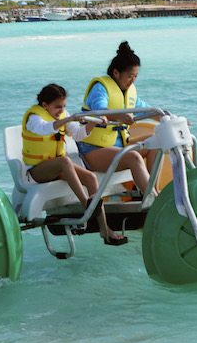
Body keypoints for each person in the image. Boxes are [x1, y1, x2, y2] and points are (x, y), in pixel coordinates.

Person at [22, 83, 127, 245]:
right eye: (58, 107)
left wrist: (94, 122)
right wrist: (68, 118)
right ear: (45, 105)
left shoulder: (63, 115)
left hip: (57, 167)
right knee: (65, 161)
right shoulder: (33, 117)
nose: (61, 110)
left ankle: (104, 229)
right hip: (38, 171)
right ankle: (88, 207)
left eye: (63, 106)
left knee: (90, 177)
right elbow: (43, 129)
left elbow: (78, 134)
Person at [76, 41, 160, 197]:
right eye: (130, 76)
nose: (133, 80)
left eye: (135, 76)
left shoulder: (129, 91)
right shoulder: (100, 88)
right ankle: (153, 198)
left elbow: (146, 110)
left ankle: (153, 192)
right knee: (133, 156)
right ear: (116, 73)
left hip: (120, 147)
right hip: (94, 152)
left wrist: (169, 118)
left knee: (156, 141)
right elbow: (99, 109)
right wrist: (120, 115)